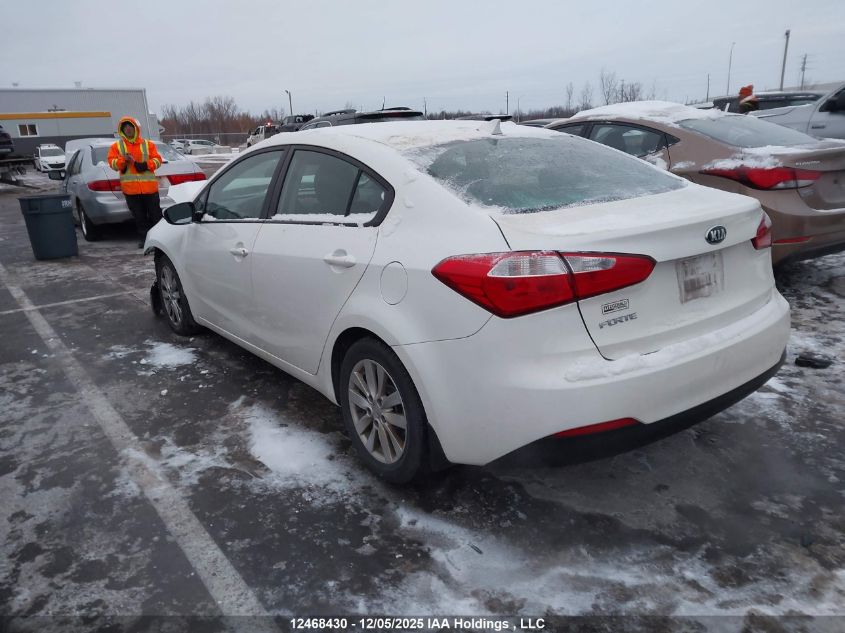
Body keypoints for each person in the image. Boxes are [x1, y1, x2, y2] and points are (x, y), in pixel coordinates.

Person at [107, 116, 164, 247]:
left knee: (156, 215)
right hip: (131, 190)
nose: (128, 129)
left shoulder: (148, 144)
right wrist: (123, 160)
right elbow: (112, 164)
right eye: (125, 127)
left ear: (135, 128)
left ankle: (160, 240)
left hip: (149, 188)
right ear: (121, 130)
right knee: (139, 217)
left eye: (130, 126)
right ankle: (145, 240)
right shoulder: (116, 147)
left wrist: (145, 165)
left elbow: (158, 160)